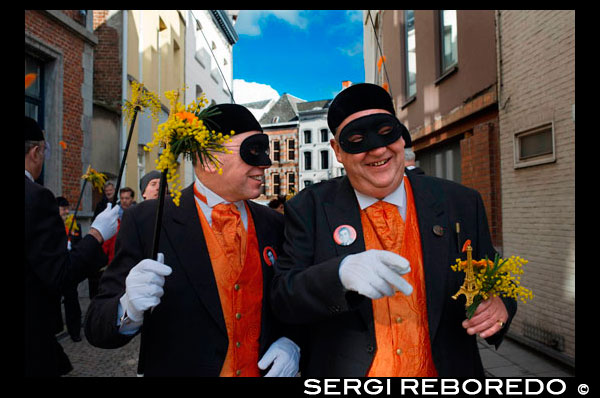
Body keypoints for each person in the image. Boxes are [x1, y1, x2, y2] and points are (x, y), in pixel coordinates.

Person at [270, 83, 517, 377]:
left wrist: (500, 306)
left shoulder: (460, 203)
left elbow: (494, 278)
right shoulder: (308, 208)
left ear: (401, 136)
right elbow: (284, 298)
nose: (377, 148)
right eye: (357, 139)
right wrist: (337, 275)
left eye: (385, 132)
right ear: (337, 150)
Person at [85, 103, 300, 377]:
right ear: (209, 159)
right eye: (252, 151)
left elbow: (292, 303)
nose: (264, 164)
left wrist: (293, 341)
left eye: (265, 151)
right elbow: (96, 326)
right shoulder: (148, 221)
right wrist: (127, 308)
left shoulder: (275, 224)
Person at [25, 116, 120, 376]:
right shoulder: (36, 197)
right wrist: (97, 234)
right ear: (35, 151)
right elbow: (60, 275)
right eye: (44, 152)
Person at [55, 196, 83, 342]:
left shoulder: (74, 224)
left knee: (72, 300)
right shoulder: (52, 224)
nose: (66, 212)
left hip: (69, 266)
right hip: (56, 267)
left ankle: (75, 331)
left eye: (67, 209)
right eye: (63, 209)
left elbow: (78, 242)